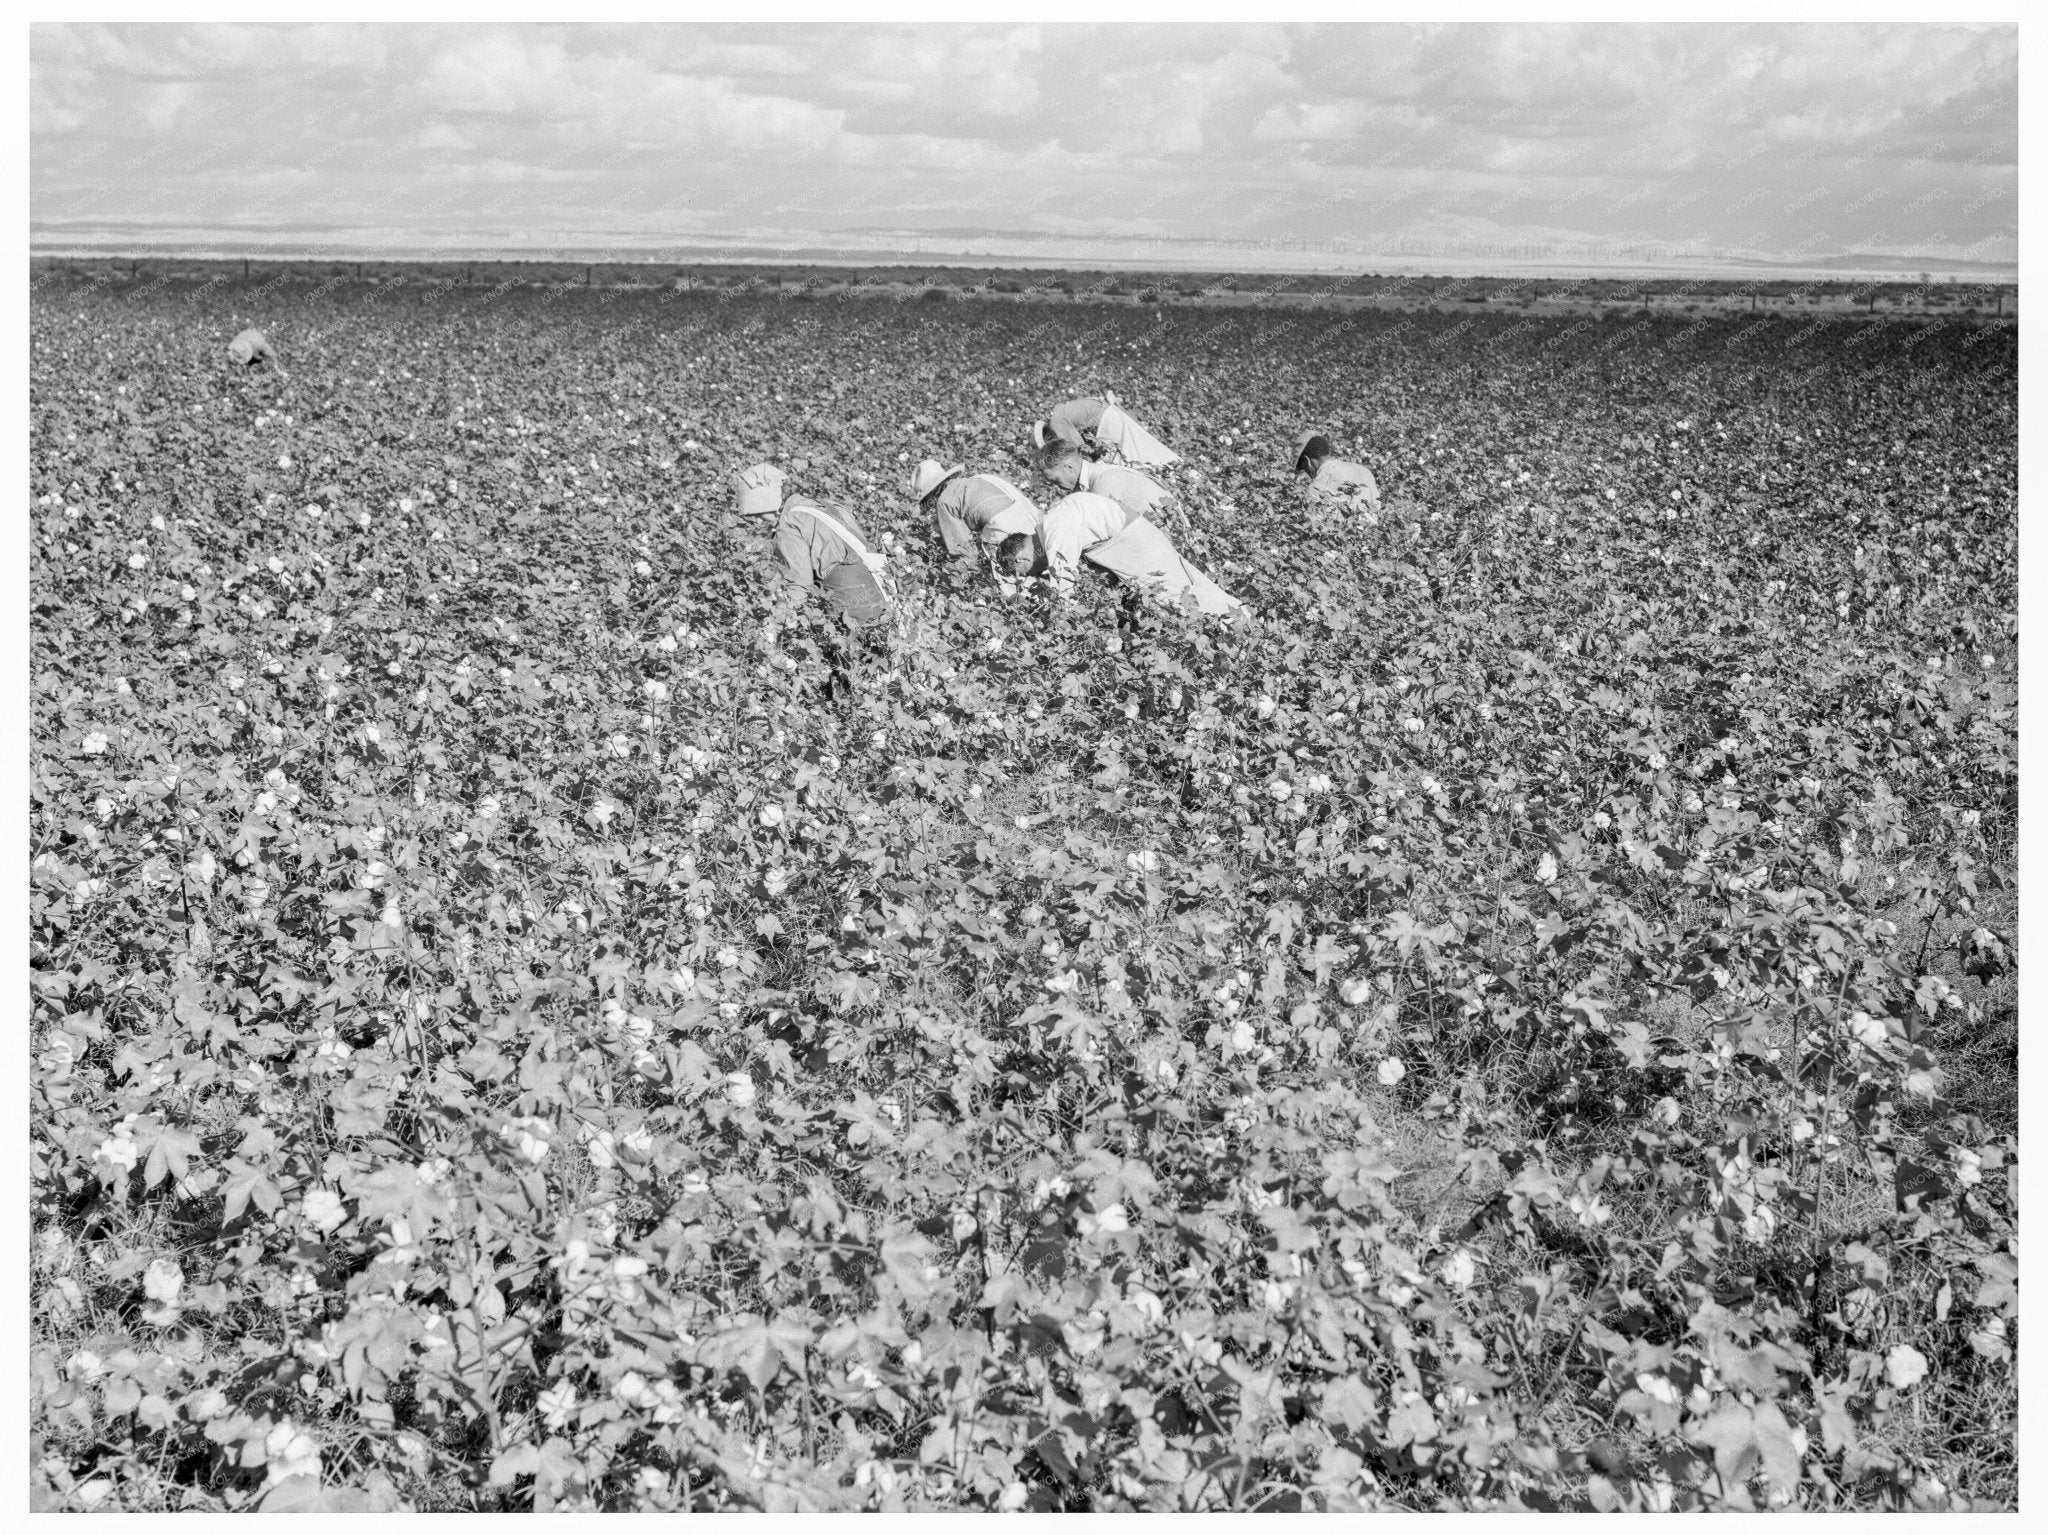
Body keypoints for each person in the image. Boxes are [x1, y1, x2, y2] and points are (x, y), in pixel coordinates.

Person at [733, 462, 891, 699]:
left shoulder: (789, 524)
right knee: (882, 666)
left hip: (850, 597)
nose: (756, 523)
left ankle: (848, 713)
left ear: (762, 506)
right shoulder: (820, 507)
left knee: (849, 673)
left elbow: (799, 585)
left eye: (754, 516)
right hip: (882, 588)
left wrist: (778, 629)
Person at [995, 490, 1242, 618]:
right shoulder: (1056, 517)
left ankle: (1242, 624)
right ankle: (1241, 618)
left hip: (1136, 548)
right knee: (1184, 590)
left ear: (1022, 559)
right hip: (1134, 542)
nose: (1039, 574)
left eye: (1032, 571)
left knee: (1181, 597)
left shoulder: (1056, 531)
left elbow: (1064, 591)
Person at [906, 458, 1041, 568]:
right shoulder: (978, 479)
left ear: (931, 495)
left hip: (1003, 533)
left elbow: (962, 548)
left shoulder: (943, 502)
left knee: (1012, 578)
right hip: (1032, 522)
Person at [1034, 438, 1183, 529]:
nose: (1056, 486)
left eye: (1055, 480)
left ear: (1069, 468)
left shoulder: (1102, 482)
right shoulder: (1098, 473)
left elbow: (1111, 531)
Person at [1029, 391, 1180, 467]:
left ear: (1047, 438)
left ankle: (1168, 467)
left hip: (1107, 421)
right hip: (1111, 415)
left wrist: (1090, 461)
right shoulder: (1060, 413)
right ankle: (1173, 465)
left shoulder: (1056, 423)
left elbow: (1080, 450)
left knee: (1127, 458)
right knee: (1139, 447)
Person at [1293, 430, 1380, 515]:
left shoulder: (1316, 488)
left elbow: (1314, 525)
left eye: (1303, 467)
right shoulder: (1364, 471)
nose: (1307, 473)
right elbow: (1377, 509)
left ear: (1306, 460)